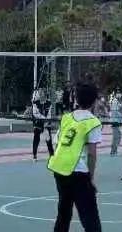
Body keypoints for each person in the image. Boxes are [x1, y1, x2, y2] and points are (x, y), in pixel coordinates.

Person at [48, 82, 103, 232]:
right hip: (77, 171)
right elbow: (92, 154)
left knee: (64, 213)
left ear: (76, 100)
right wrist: (90, 178)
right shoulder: (93, 122)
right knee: (90, 218)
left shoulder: (66, 118)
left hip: (59, 168)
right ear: (94, 101)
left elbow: (57, 142)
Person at [32, 90, 55, 162]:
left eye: (42, 94)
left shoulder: (49, 103)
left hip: (46, 123)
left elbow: (49, 114)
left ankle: (52, 156)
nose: (40, 95)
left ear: (45, 95)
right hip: (38, 123)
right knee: (36, 138)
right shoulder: (35, 103)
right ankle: (34, 155)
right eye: (40, 94)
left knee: (48, 140)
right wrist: (43, 118)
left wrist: (47, 121)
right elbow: (35, 114)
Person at [109, 90, 122, 156]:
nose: (120, 95)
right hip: (115, 121)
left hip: (116, 121)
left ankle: (114, 151)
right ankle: (113, 151)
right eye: (118, 93)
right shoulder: (115, 101)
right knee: (116, 137)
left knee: (118, 136)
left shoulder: (117, 101)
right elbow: (115, 111)